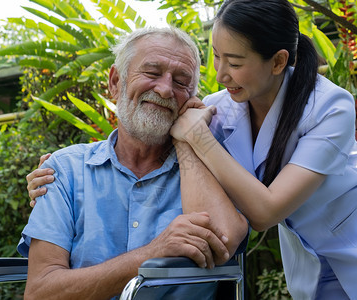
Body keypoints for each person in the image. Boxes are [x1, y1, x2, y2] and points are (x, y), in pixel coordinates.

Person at [169, 0, 357, 299]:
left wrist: (198, 138)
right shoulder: (216, 111)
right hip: (318, 269)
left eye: (234, 63)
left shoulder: (329, 106)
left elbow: (266, 211)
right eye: (217, 57)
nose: (221, 75)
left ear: (278, 61)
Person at [19, 26, 248, 300]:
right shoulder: (65, 170)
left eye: (180, 81)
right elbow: (40, 293)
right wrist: (153, 253)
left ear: (191, 99)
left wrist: (187, 140)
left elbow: (225, 242)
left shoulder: (214, 165)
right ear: (115, 82)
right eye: (151, 73)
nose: (164, 89)